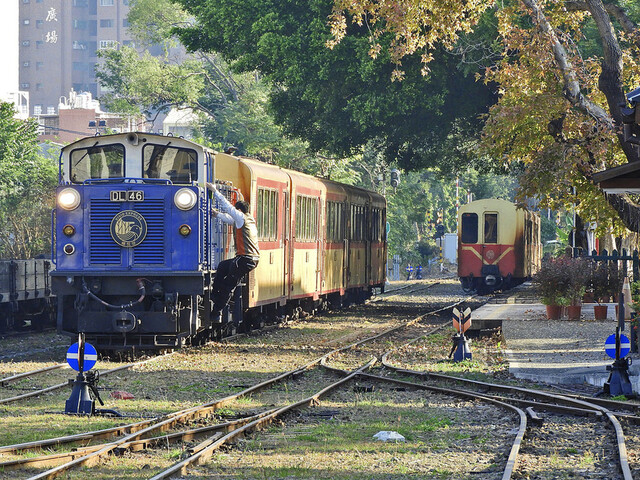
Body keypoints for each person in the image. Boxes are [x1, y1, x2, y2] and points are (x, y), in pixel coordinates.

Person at [206, 182, 260, 322]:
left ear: (239, 211)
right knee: (223, 266)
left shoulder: (241, 217)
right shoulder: (248, 220)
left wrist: (215, 191)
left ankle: (216, 312)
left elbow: (228, 208)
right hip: (247, 259)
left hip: (245, 259)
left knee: (228, 285)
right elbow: (229, 218)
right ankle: (214, 294)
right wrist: (217, 214)